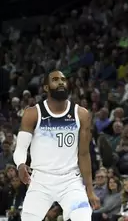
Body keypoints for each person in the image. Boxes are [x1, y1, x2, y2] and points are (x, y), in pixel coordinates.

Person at [13, 70, 101, 221]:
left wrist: (90, 190)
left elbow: (84, 154)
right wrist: (21, 165)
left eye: (63, 79)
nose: (61, 82)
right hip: (41, 180)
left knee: (83, 217)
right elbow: (21, 148)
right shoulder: (33, 113)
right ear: (46, 88)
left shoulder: (81, 114)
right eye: (55, 79)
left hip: (70, 180)